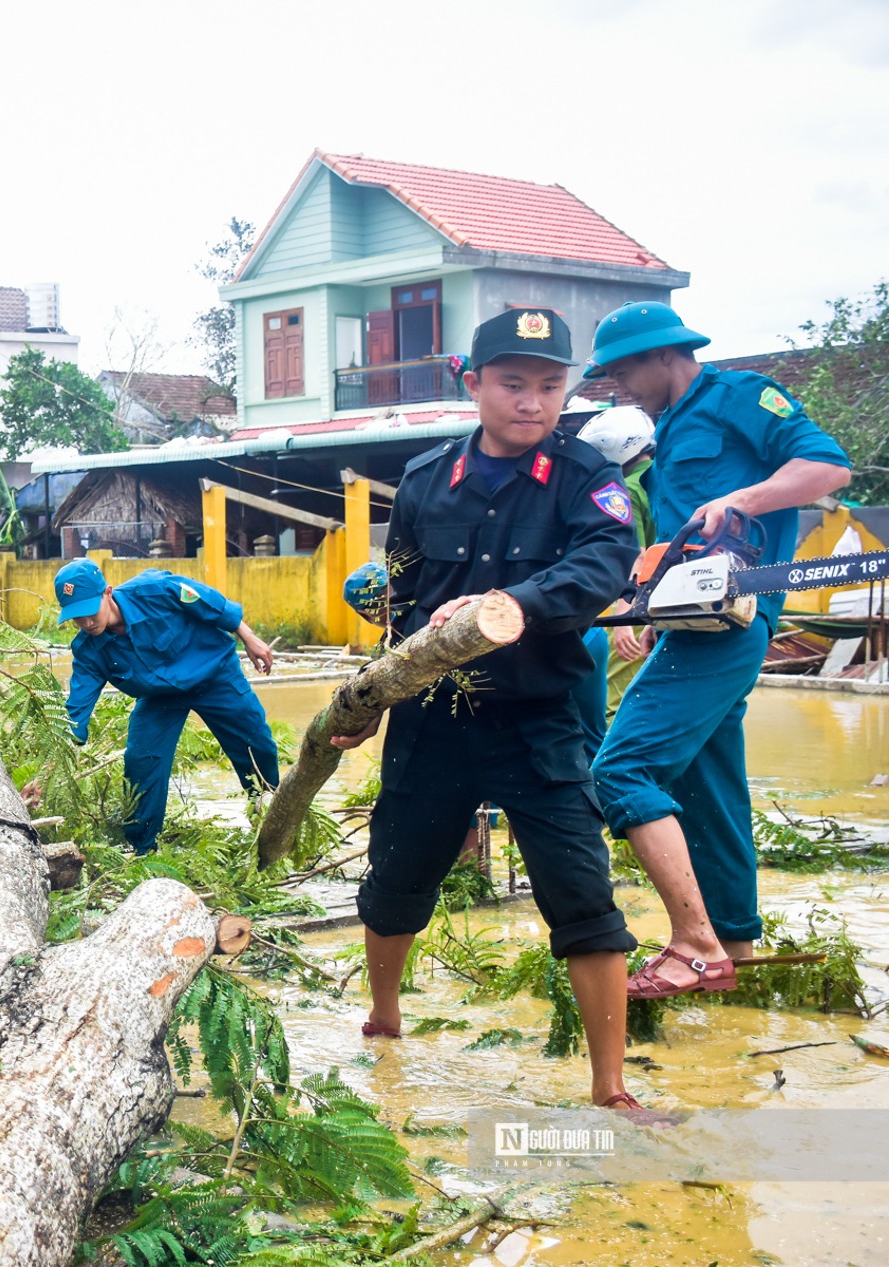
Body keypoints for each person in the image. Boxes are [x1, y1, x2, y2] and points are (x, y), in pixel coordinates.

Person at [328, 309, 642, 1111]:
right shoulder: (429, 478)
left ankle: (610, 1087)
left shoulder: (586, 481)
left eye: (549, 384)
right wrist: (370, 695)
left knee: (582, 892)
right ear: (473, 383)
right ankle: (383, 1020)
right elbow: (402, 602)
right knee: (396, 875)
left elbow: (604, 564)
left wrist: (510, 599)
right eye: (512, 383)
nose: (532, 401)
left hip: (540, 718)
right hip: (431, 721)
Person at [586, 303, 851, 998]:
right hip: (689, 621)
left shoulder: (738, 397)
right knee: (711, 794)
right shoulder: (668, 429)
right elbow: (686, 538)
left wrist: (748, 496)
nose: (621, 388)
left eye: (623, 372)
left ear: (665, 355)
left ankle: (693, 946)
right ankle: (734, 956)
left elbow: (828, 467)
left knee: (621, 767)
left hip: (733, 622)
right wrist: (648, 607)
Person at [55, 559, 278, 855]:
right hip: (160, 697)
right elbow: (76, 711)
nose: (86, 623)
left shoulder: (157, 590)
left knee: (256, 745)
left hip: (214, 675)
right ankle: (143, 851)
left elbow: (212, 604)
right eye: (76, 618)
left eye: (89, 612)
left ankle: (271, 824)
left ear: (107, 593)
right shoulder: (88, 649)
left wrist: (250, 639)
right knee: (141, 762)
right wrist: (51, 764)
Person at [578, 406, 659, 725]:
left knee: (616, 702)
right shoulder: (660, 479)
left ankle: (609, 772)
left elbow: (634, 554)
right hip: (661, 601)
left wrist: (622, 619)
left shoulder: (625, 489)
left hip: (633, 603)